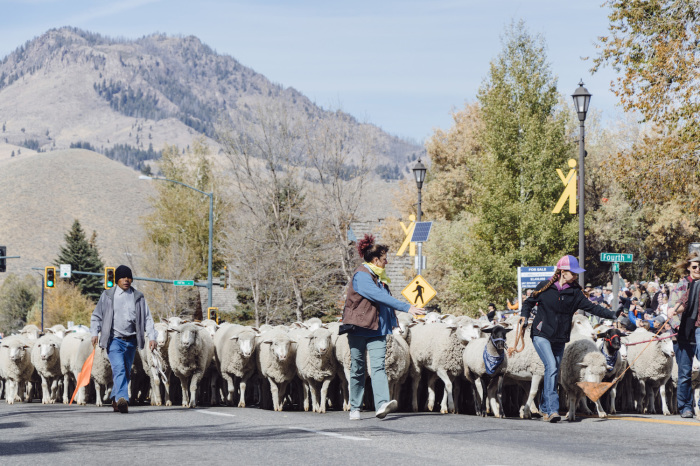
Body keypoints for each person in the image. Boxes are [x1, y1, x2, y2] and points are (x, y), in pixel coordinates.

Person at [518, 255, 619, 423]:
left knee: (554, 372)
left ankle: (544, 407)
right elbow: (529, 302)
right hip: (541, 334)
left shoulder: (575, 293)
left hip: (560, 337)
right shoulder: (544, 287)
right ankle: (552, 410)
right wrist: (524, 315)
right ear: (563, 272)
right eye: (574, 272)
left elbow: (592, 308)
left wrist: (612, 314)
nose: (576, 276)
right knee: (551, 366)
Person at [342, 235, 423, 420]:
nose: (387, 262)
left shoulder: (381, 279)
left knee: (378, 367)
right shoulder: (362, 276)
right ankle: (355, 406)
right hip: (358, 327)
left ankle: (381, 405)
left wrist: (393, 323)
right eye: (384, 259)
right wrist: (406, 307)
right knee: (358, 367)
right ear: (375, 259)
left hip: (377, 329)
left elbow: (383, 305)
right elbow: (378, 297)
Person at [90, 265, 157, 413]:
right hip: (114, 340)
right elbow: (96, 316)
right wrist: (94, 332)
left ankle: (115, 397)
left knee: (126, 371)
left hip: (132, 340)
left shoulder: (138, 297)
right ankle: (123, 400)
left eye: (128, 277)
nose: (126, 280)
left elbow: (147, 318)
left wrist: (152, 337)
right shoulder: (108, 296)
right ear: (117, 280)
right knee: (119, 368)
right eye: (122, 277)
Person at [666, 253, 700, 419]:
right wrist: (676, 324)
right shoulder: (682, 285)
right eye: (694, 266)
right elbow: (673, 307)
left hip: (699, 331)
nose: (698, 269)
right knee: (685, 373)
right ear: (688, 267)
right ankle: (685, 407)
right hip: (683, 333)